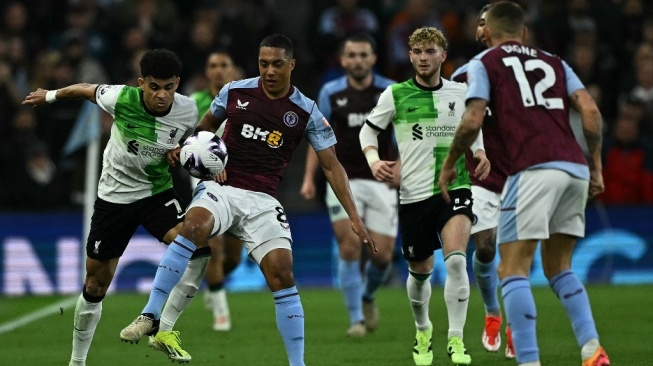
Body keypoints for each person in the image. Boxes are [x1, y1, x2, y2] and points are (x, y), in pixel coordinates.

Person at [119, 34, 375, 366]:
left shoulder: (306, 110)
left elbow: (331, 164)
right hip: (222, 188)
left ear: (291, 65)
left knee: (282, 274)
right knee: (193, 227)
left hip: (264, 199)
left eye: (277, 64)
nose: (269, 71)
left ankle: (298, 364)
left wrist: (352, 215)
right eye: (264, 63)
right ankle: (151, 315)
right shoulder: (235, 92)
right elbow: (204, 128)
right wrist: (201, 156)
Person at [438, 3, 610, 366]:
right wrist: (595, 164)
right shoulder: (555, 62)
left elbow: (471, 119)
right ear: (524, 32)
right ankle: (592, 346)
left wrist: (450, 163)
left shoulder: (485, 63)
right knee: (560, 268)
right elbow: (591, 112)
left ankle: (528, 360)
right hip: (574, 167)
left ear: (486, 33)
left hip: (530, 170)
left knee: (511, 270)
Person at [21, 49, 202, 366]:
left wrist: (182, 149)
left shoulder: (187, 109)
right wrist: (49, 95)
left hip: (156, 193)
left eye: (169, 87)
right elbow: (83, 89)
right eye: (155, 87)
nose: (162, 95)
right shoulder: (120, 98)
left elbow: (197, 138)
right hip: (114, 199)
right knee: (95, 284)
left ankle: (160, 324)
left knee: (196, 244)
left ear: (177, 84)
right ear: (141, 82)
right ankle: (77, 361)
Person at [359, 27, 488, 366]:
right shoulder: (395, 95)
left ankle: (456, 341)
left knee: (457, 259)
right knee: (420, 272)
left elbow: (473, 128)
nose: (423, 58)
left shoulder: (461, 92)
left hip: (454, 187)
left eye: (430, 51)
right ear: (411, 56)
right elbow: (368, 130)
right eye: (417, 52)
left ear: (442, 55)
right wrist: (374, 160)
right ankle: (423, 330)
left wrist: (480, 152)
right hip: (414, 195)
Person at [300, 33, 396, 338]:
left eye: (363, 55)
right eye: (351, 55)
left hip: (381, 178)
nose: (357, 60)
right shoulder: (331, 92)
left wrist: (403, 169)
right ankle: (356, 318)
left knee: (382, 255)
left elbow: (404, 135)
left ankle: (367, 296)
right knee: (350, 245)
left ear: (373, 58)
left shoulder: (389, 91)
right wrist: (307, 179)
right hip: (343, 180)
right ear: (343, 60)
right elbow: (318, 138)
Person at [450, 3, 514, 358]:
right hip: (482, 176)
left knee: (516, 258)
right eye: (482, 22)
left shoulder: (530, 73)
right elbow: (456, 127)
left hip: (523, 175)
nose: (485, 28)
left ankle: (517, 325)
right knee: (486, 247)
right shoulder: (464, 76)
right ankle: (492, 312)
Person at [166, 50, 243, 333]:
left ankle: (213, 287)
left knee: (233, 255)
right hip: (203, 180)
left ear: (233, 70)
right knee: (214, 245)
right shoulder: (193, 103)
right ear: (207, 73)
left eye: (225, 64)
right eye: (213, 66)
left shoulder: (244, 102)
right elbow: (181, 139)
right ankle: (221, 315)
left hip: (240, 181)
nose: (219, 70)